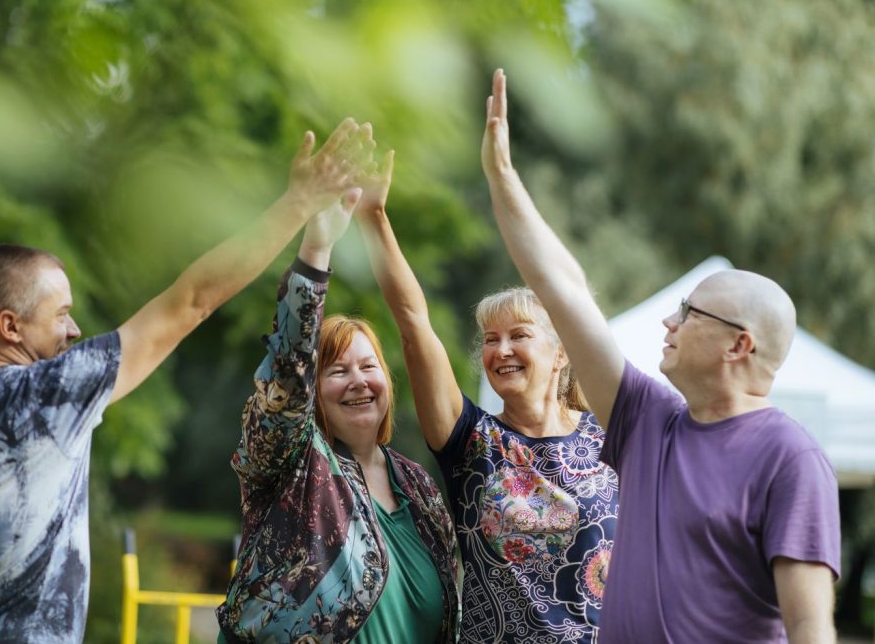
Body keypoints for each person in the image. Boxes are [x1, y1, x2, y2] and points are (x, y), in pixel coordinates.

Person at [0, 118, 374, 643]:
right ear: (9, 326)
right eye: (60, 314)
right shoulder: (47, 394)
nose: (74, 329)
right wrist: (297, 203)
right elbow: (193, 300)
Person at [481, 68, 840, 643]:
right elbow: (564, 291)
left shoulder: (790, 458)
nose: (669, 322)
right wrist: (502, 175)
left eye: (689, 313)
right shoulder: (648, 419)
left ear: (738, 344)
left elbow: (810, 627)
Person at [355, 150, 617, 642]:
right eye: (491, 339)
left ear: (561, 352)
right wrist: (374, 218)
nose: (501, 350)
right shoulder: (472, 442)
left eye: (519, 335)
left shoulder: (613, 438)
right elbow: (414, 326)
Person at [216, 146, 460, 643]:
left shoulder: (420, 489)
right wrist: (318, 246)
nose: (358, 380)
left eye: (369, 366)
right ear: (313, 393)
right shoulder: (296, 464)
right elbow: (287, 373)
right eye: (337, 371)